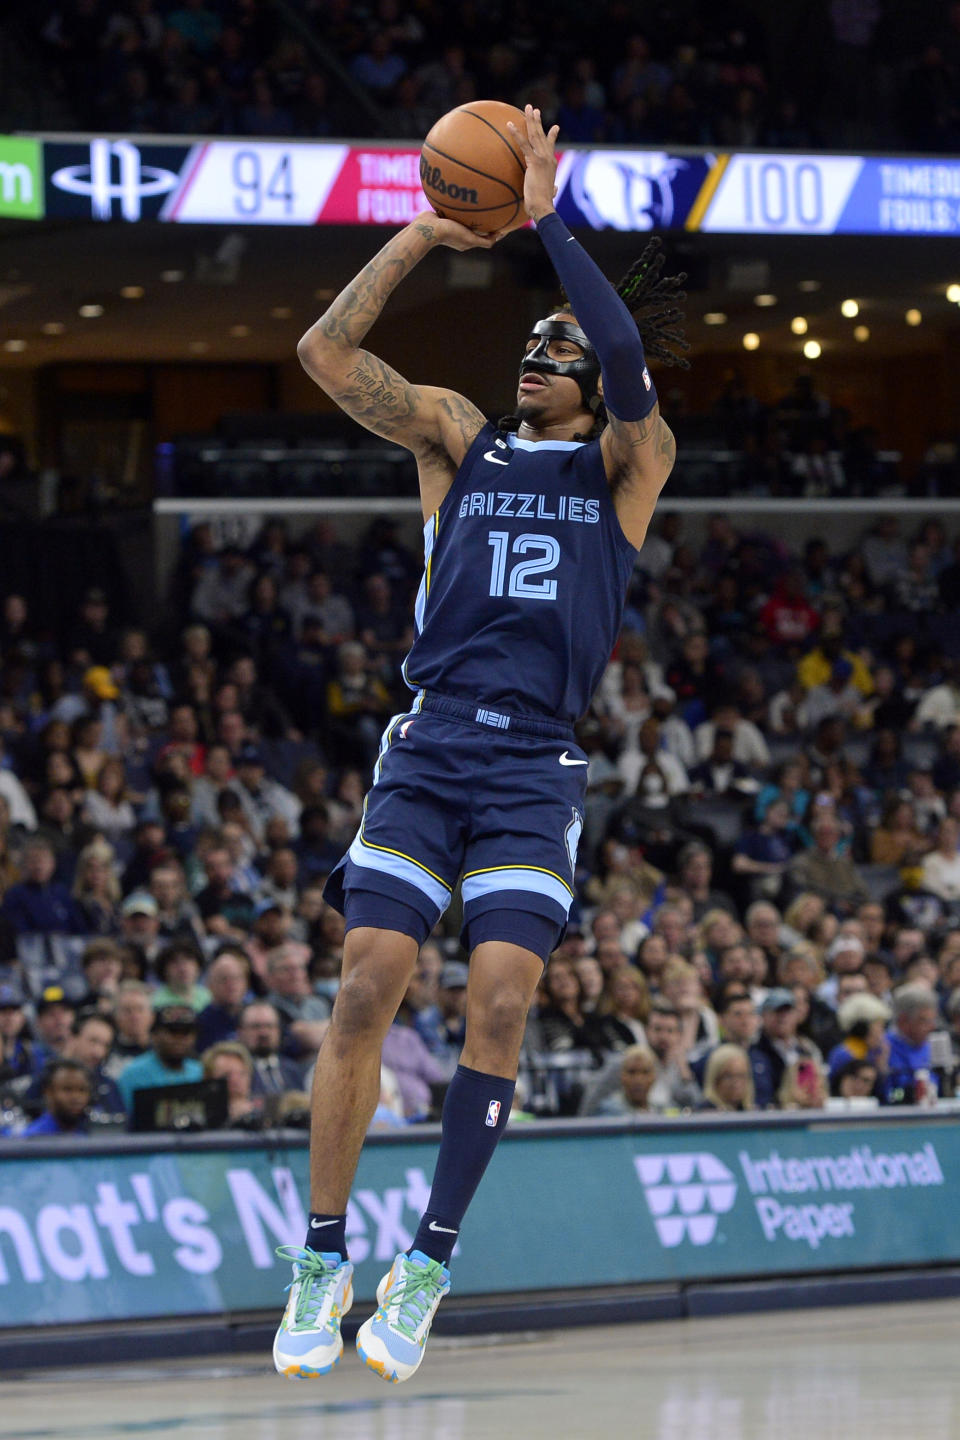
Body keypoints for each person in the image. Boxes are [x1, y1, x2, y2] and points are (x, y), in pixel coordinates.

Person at [272, 104, 684, 1384]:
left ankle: (428, 1264)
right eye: (531, 345)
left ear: (597, 380)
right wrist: (422, 232)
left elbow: (618, 338)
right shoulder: (456, 435)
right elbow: (324, 351)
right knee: (365, 979)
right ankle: (323, 1257)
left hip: (534, 763)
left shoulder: (630, 461)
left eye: (559, 349)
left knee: (501, 1000)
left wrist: (543, 217)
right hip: (433, 740)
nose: (539, 357)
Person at [116, 1004, 204, 1114]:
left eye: (186, 1032)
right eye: (172, 1031)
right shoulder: (134, 1073)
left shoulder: (200, 1072)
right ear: (154, 1035)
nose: (180, 1038)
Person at [22, 1058, 93, 1136]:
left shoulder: (90, 1135)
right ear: (48, 1092)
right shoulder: (33, 1138)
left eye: (82, 1090)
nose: (76, 1097)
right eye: (67, 1089)